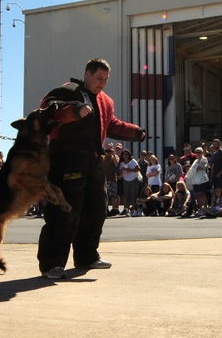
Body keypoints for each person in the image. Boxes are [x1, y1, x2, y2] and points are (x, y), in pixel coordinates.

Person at [36, 58, 144, 279]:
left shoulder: (106, 101)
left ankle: (87, 256)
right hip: (66, 159)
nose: (102, 83)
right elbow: (48, 109)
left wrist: (135, 132)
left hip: (93, 161)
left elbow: (111, 124)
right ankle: (51, 264)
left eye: (105, 79)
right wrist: (74, 111)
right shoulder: (67, 91)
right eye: (99, 78)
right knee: (64, 210)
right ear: (87, 74)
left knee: (96, 209)